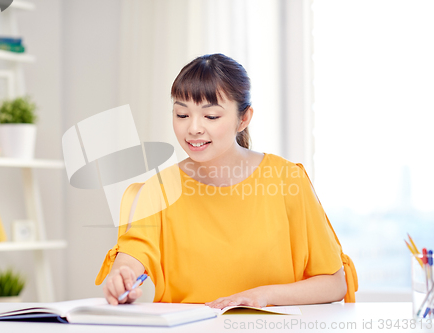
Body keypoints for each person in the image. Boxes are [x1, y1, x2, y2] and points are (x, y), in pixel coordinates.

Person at [95, 53, 358, 308]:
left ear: (243, 119)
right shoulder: (160, 189)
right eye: (182, 115)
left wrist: (263, 295)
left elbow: (334, 282)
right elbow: (131, 258)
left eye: (211, 116)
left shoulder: (286, 179)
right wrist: (121, 279)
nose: (193, 128)